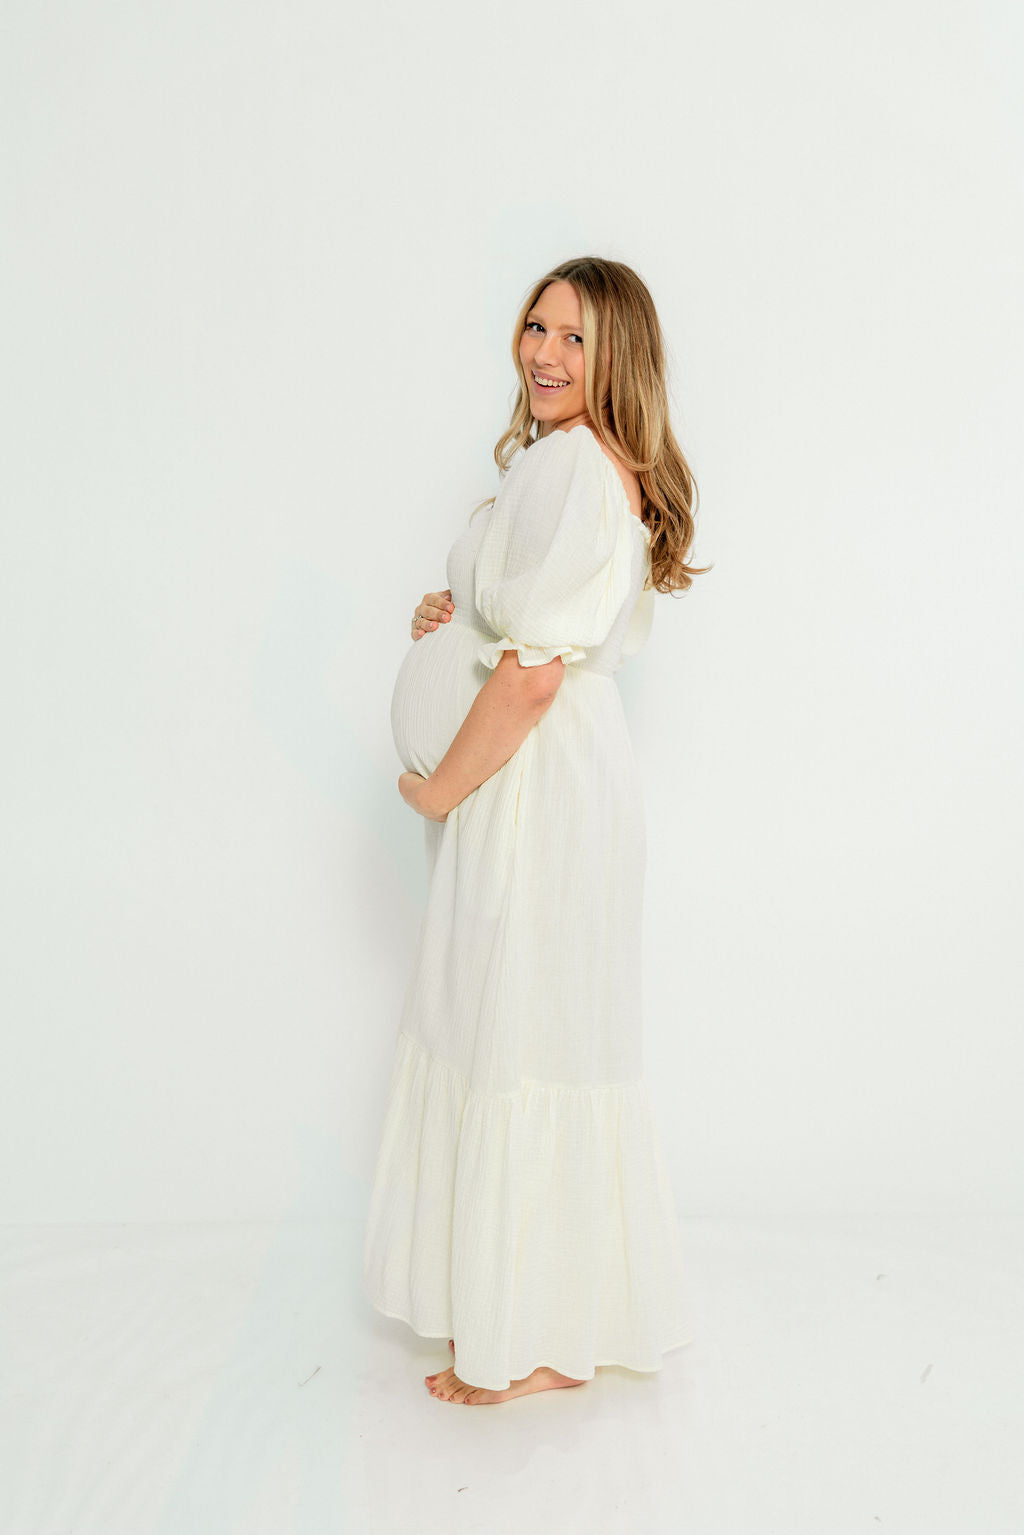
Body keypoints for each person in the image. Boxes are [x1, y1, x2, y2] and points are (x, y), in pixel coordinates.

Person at [362, 256, 710, 1406]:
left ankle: (531, 1342)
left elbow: (530, 677)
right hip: (545, 779)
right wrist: (452, 615)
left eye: (574, 337)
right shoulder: (566, 464)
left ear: (617, 358)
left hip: (533, 783)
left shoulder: (576, 466)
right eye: (535, 327)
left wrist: (438, 791)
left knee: (524, 1037)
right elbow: (519, 631)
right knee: (532, 1031)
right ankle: (541, 1323)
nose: (545, 354)